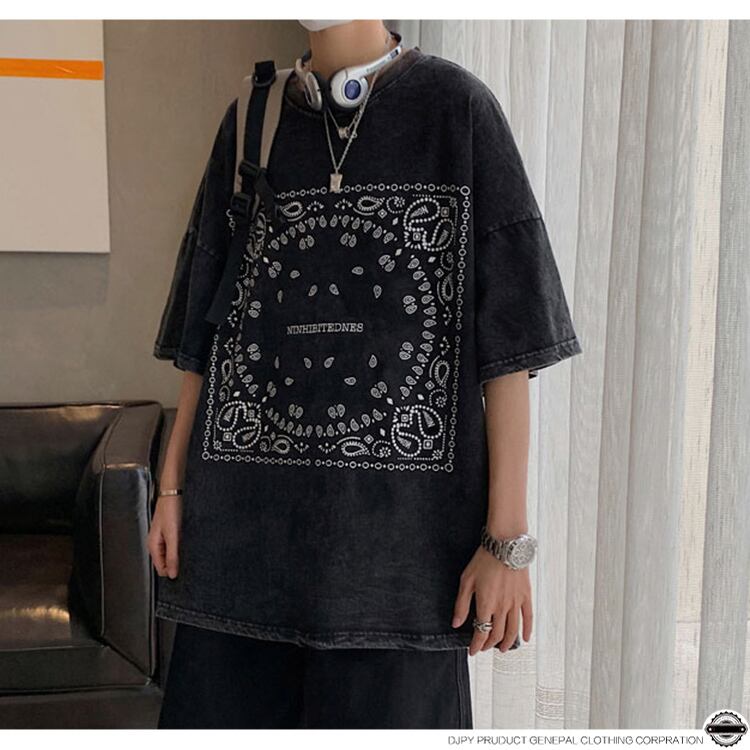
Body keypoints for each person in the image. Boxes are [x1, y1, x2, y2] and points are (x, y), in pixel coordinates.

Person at [149, 19, 582, 729]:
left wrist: (506, 542)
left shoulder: (457, 110)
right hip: (242, 555)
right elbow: (206, 324)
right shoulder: (253, 117)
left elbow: (510, 344)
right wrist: (171, 487)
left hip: (402, 571)